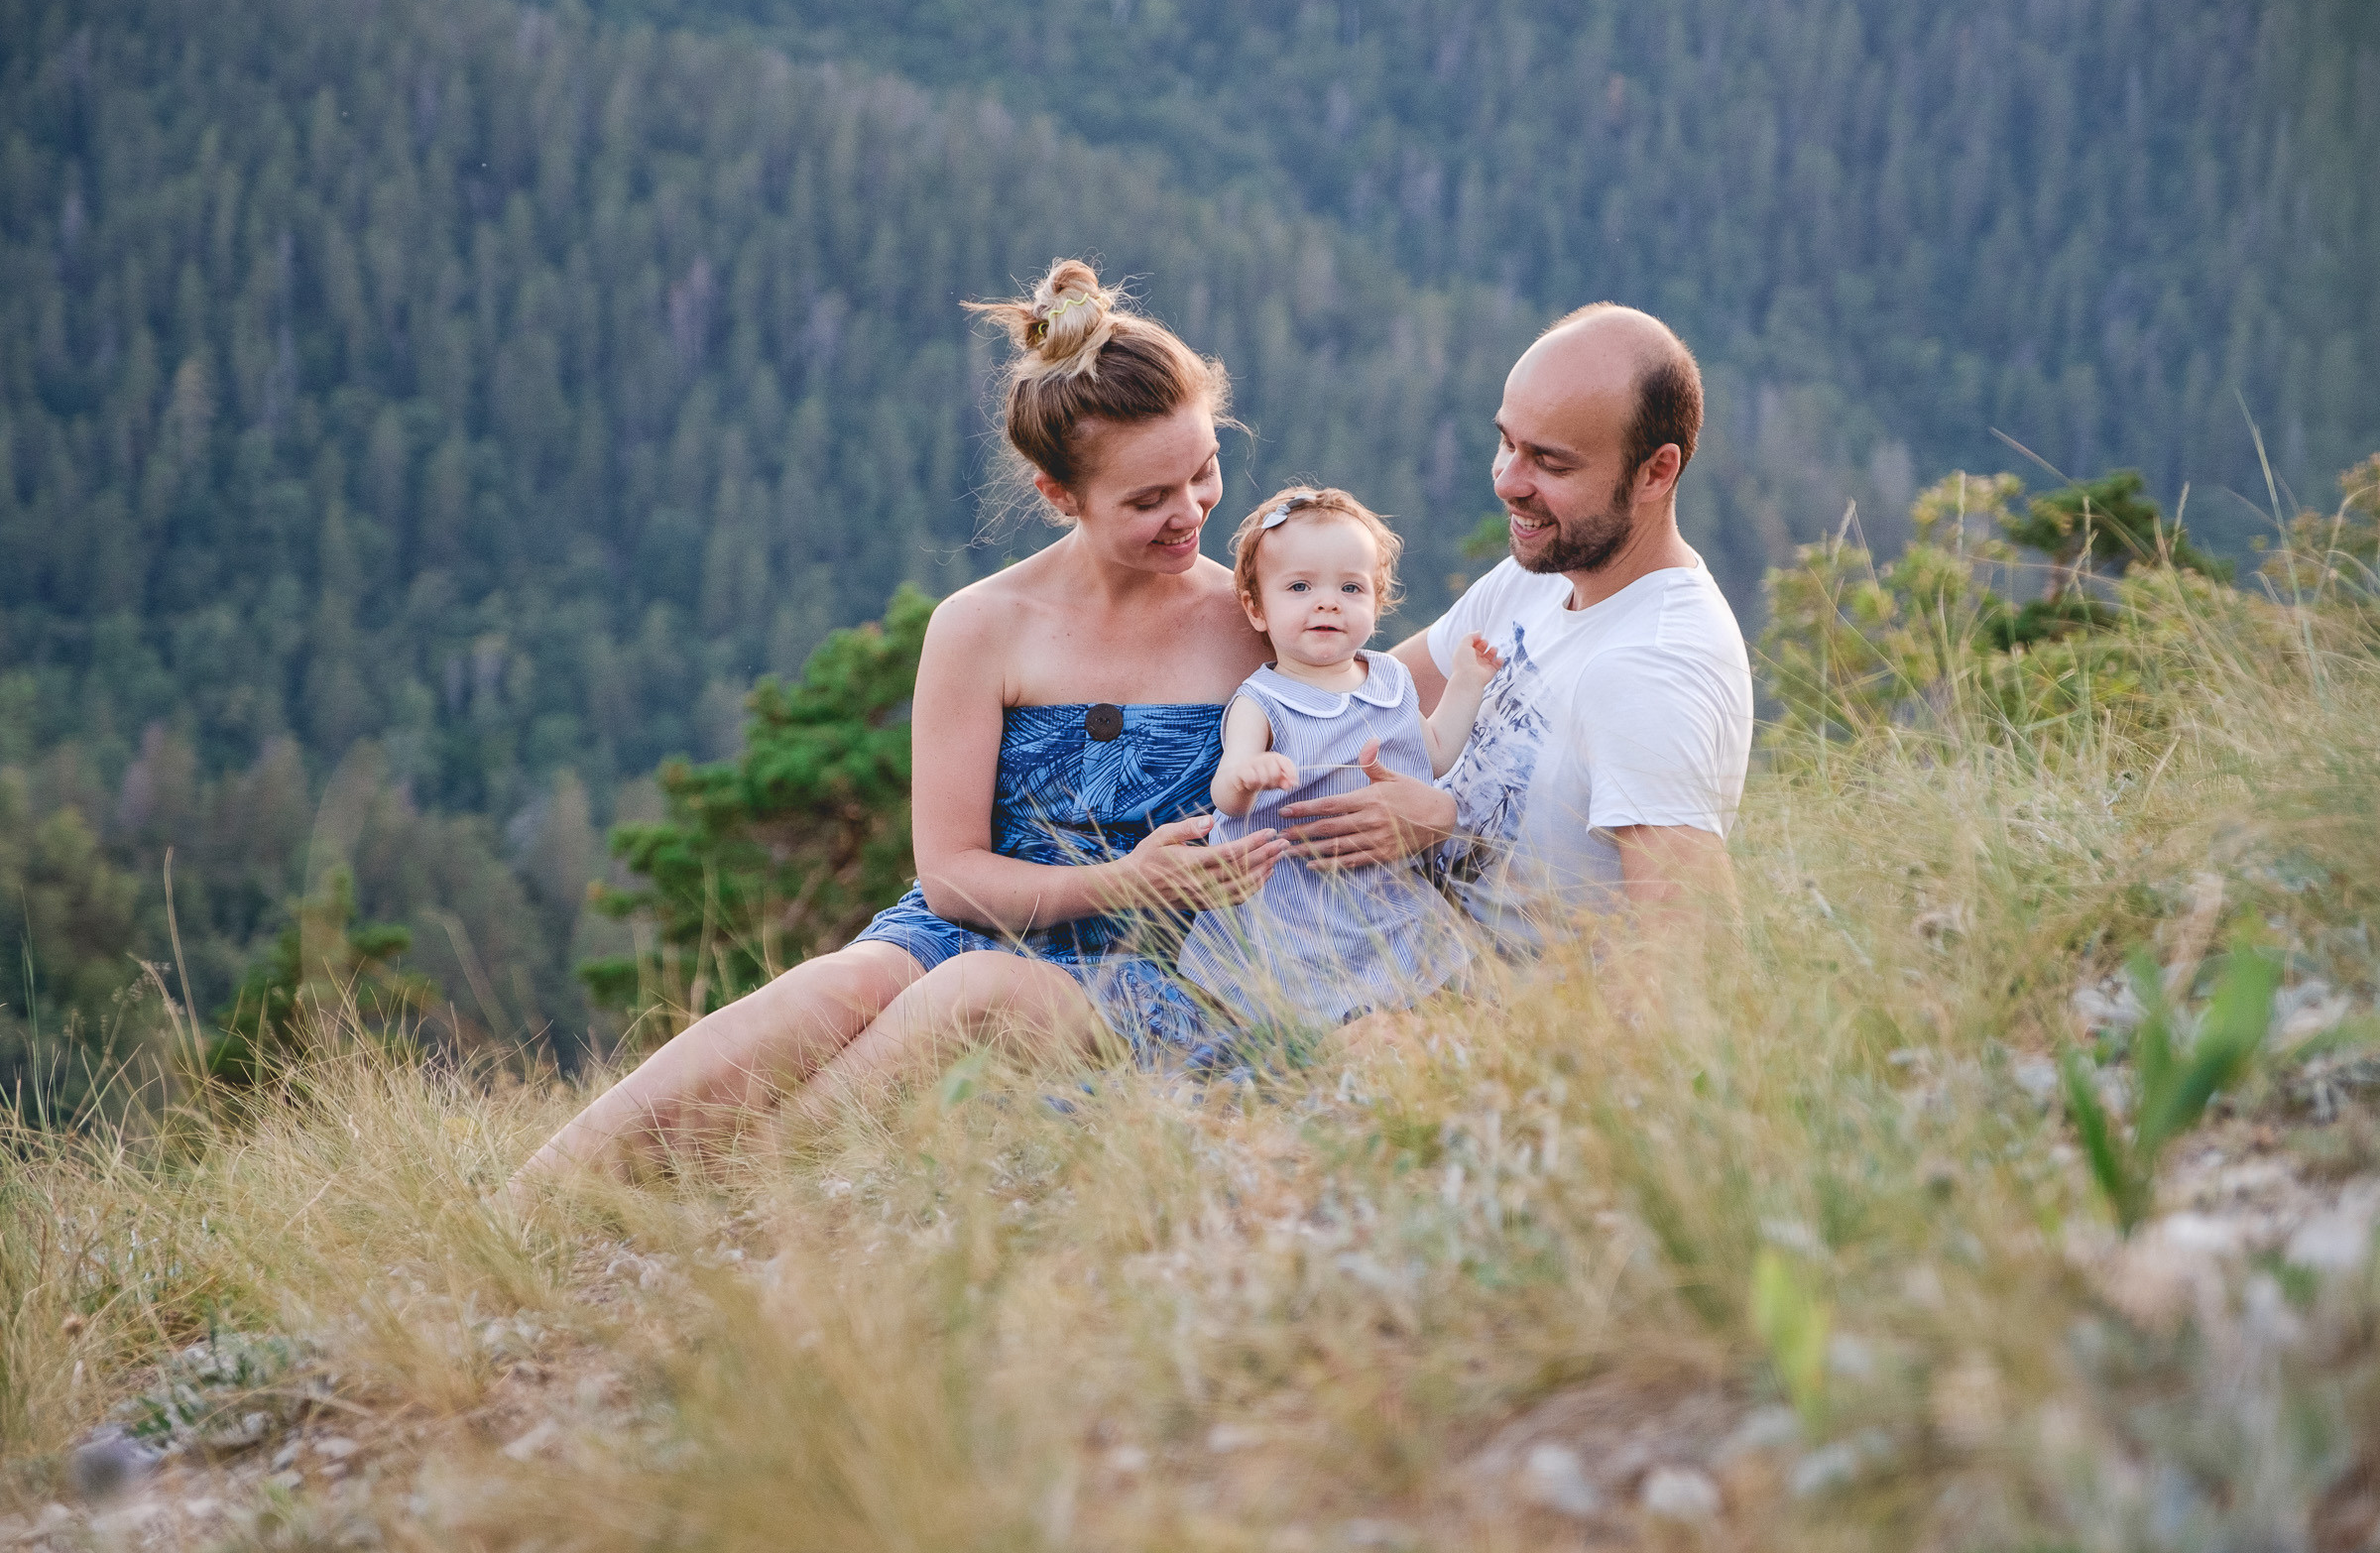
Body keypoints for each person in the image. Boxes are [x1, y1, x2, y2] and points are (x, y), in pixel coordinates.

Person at [515, 259, 1286, 1183]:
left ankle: (741, 1193)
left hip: (1159, 970)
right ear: (1060, 496)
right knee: (848, 979)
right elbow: (953, 878)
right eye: (1147, 500)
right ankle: (533, 1200)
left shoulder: (1257, 622)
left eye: (1202, 473)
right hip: (973, 923)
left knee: (972, 995)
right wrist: (1124, 878)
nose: (1191, 512)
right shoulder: (981, 626)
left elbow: (1381, 706)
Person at [1283, 302, 1752, 955]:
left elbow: (1696, 961)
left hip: (1494, 1032)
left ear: (1656, 471)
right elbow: (1358, 702)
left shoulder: (1650, 670)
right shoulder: (1537, 576)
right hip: (1388, 963)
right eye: (1507, 441)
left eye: (1551, 464)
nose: (1506, 481)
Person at [1175, 486, 1498, 1029]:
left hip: (1384, 891)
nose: (1327, 602)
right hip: (1290, 901)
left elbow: (1435, 754)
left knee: (1445, 1004)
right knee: (1303, 1022)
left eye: (1351, 587)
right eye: (1300, 587)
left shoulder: (1390, 680)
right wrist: (1249, 776)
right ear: (1257, 609)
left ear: (1377, 601)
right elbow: (1224, 788)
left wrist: (1466, 683)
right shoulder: (1263, 700)